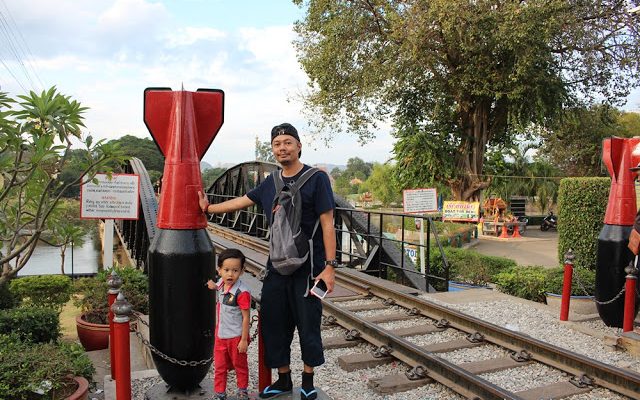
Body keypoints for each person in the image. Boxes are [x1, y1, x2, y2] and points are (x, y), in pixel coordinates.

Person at [198, 122, 336, 400]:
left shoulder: (316, 179)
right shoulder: (270, 182)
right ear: (272, 149)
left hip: (309, 269)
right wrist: (209, 208)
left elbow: (328, 223)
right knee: (274, 323)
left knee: (308, 324)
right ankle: (283, 380)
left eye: (287, 142)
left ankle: (307, 382)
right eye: (277, 144)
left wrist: (330, 267)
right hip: (276, 268)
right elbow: (241, 201)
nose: (282, 148)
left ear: (299, 146)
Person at [207, 248, 252, 400]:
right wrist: (211, 285)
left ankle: (242, 390)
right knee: (219, 367)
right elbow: (217, 286)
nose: (230, 274)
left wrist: (244, 339)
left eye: (235, 270)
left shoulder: (242, 292)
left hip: (236, 336)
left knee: (240, 366)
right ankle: (220, 392)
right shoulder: (221, 283)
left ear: (242, 271)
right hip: (220, 335)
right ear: (219, 270)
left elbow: (246, 317)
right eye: (226, 270)